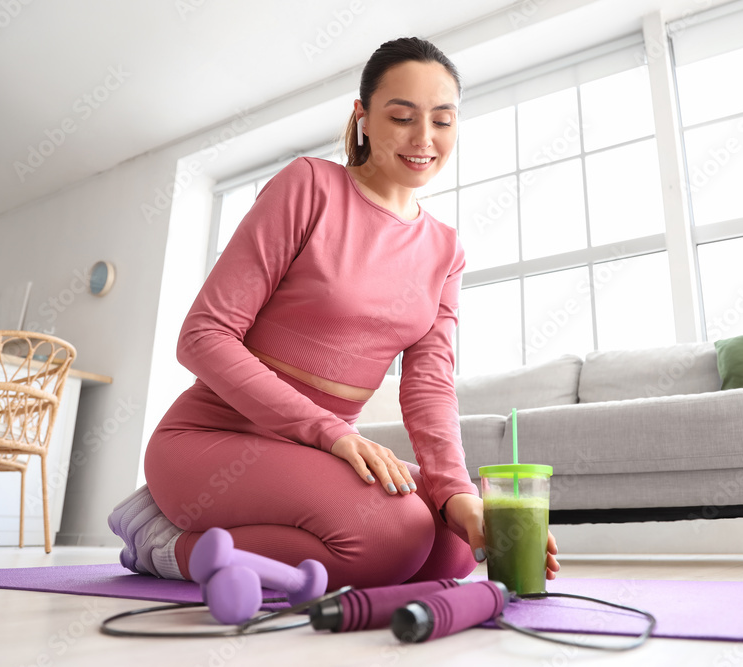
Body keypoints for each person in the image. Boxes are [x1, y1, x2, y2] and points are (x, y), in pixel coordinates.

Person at [108, 37, 560, 590]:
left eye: (443, 121)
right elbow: (203, 335)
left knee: (454, 549)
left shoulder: (446, 249)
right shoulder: (310, 187)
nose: (424, 139)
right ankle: (164, 542)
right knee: (394, 536)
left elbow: (429, 386)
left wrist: (458, 493)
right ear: (363, 117)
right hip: (211, 440)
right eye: (402, 117)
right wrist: (332, 434)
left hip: (318, 454)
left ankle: (251, 547)